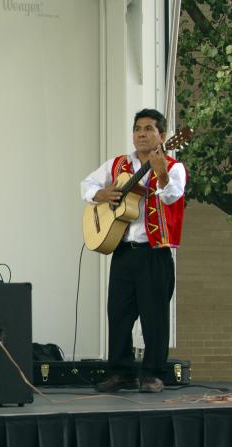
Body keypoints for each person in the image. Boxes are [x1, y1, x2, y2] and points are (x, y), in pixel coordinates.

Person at [80, 108, 187, 393]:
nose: (141, 133)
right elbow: (86, 185)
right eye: (138, 128)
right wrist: (100, 194)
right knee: (118, 313)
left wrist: (161, 172)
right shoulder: (117, 165)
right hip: (123, 251)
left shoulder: (174, 166)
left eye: (149, 129)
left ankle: (152, 374)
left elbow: (172, 196)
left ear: (162, 136)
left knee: (154, 317)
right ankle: (121, 372)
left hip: (154, 253)